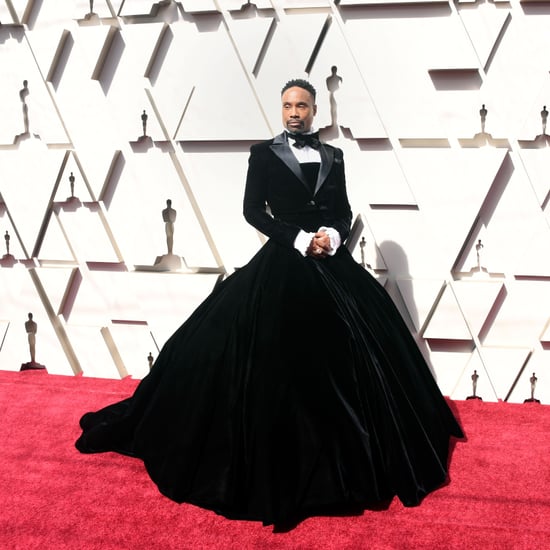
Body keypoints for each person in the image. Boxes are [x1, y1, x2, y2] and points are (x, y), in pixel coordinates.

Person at [75, 78, 464, 529]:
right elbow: (253, 211)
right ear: (281, 111)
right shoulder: (263, 155)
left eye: (301, 105)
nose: (294, 112)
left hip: (332, 260)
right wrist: (299, 239)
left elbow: (341, 209)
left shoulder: (334, 156)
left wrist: (333, 235)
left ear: (315, 110)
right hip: (284, 258)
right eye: (287, 105)